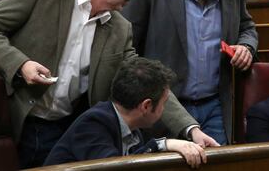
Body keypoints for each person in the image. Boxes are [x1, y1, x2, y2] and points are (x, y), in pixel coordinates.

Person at [0, 0, 214, 168]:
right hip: (16, 119)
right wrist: (21, 64)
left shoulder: (120, 28)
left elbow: (146, 81)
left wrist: (190, 129)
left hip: (67, 128)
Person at [121, 0, 258, 145]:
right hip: (162, 107)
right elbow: (129, 48)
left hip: (215, 106)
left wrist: (246, 47)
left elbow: (246, 27)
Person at [44, 58, 207, 168]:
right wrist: (164, 144)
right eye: (164, 103)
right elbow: (114, 168)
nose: (164, 110)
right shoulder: (94, 123)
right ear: (146, 106)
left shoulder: (134, 128)